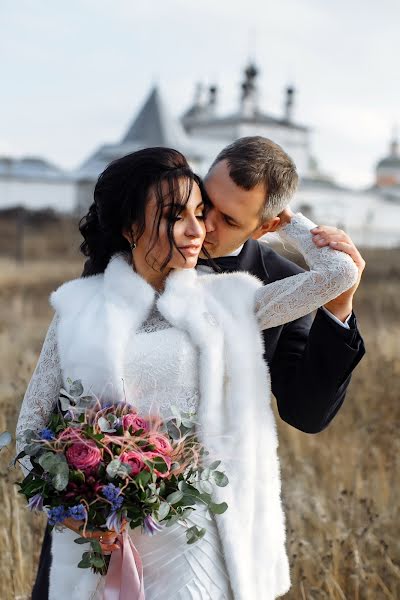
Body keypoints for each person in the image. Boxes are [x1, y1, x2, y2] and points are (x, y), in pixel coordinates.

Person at [16, 147, 359, 600]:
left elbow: (338, 274)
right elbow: (34, 427)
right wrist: (73, 506)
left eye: (219, 217)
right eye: (194, 207)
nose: (203, 227)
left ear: (265, 224)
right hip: (95, 536)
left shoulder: (236, 296)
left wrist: (295, 225)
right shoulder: (83, 302)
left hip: (195, 544)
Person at [199, 136, 365, 433]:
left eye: (228, 219)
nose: (205, 224)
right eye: (206, 201)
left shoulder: (285, 281)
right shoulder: (145, 242)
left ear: (267, 227)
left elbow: (305, 413)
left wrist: (339, 305)